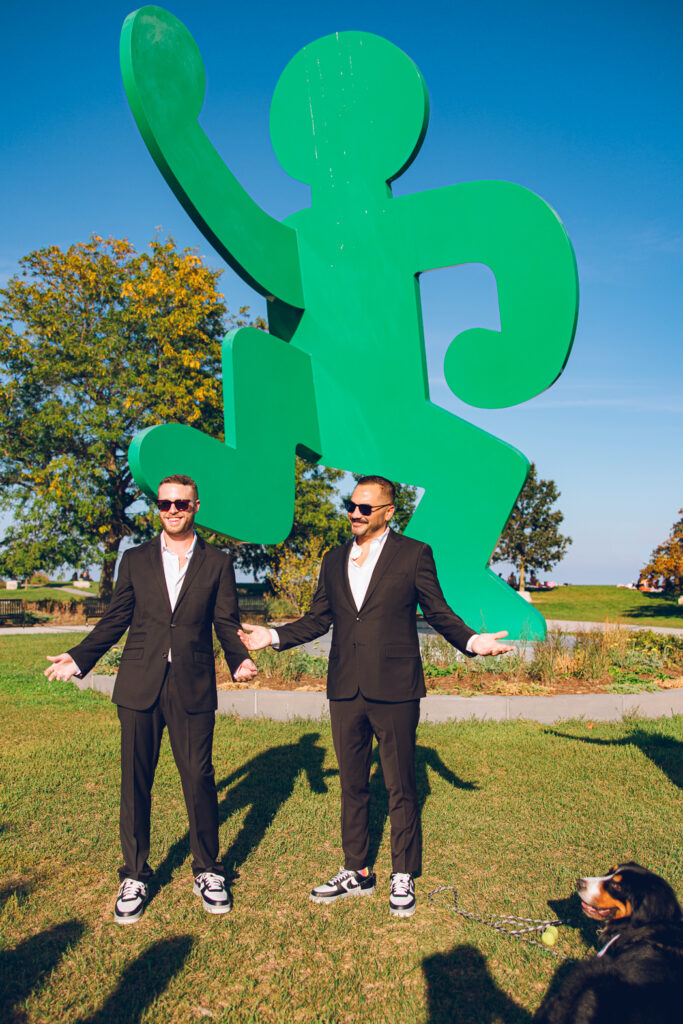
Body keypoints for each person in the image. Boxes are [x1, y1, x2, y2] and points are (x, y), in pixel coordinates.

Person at [239, 475, 514, 918]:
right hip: (345, 687)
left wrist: (470, 642)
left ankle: (402, 873)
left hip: (395, 688)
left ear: (388, 512)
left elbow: (437, 611)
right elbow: (317, 619)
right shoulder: (332, 559)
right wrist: (271, 635)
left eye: (366, 508)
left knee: (400, 784)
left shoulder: (414, 554)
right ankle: (356, 871)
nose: (355, 513)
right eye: (351, 505)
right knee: (352, 784)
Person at [45, 474, 257, 924]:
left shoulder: (218, 562)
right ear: (156, 508)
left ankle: (208, 870)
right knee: (135, 779)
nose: (172, 510)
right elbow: (116, 617)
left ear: (196, 506)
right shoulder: (136, 559)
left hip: (193, 683)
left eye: (181, 503)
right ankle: (135, 875)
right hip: (140, 683)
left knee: (198, 776)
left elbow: (225, 620)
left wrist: (238, 657)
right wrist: (81, 657)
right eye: (164, 504)